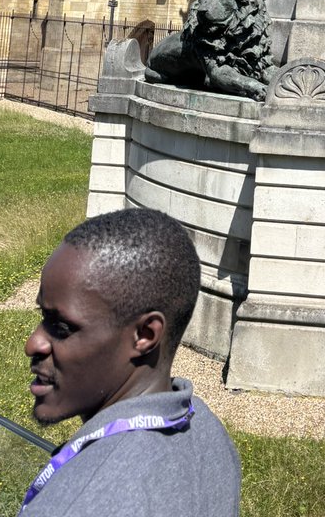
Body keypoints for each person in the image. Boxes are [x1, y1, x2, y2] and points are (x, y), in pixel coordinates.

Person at [19, 207, 240, 515]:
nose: (33, 344)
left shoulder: (81, 505)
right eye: (43, 317)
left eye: (62, 327)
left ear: (145, 335)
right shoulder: (205, 431)